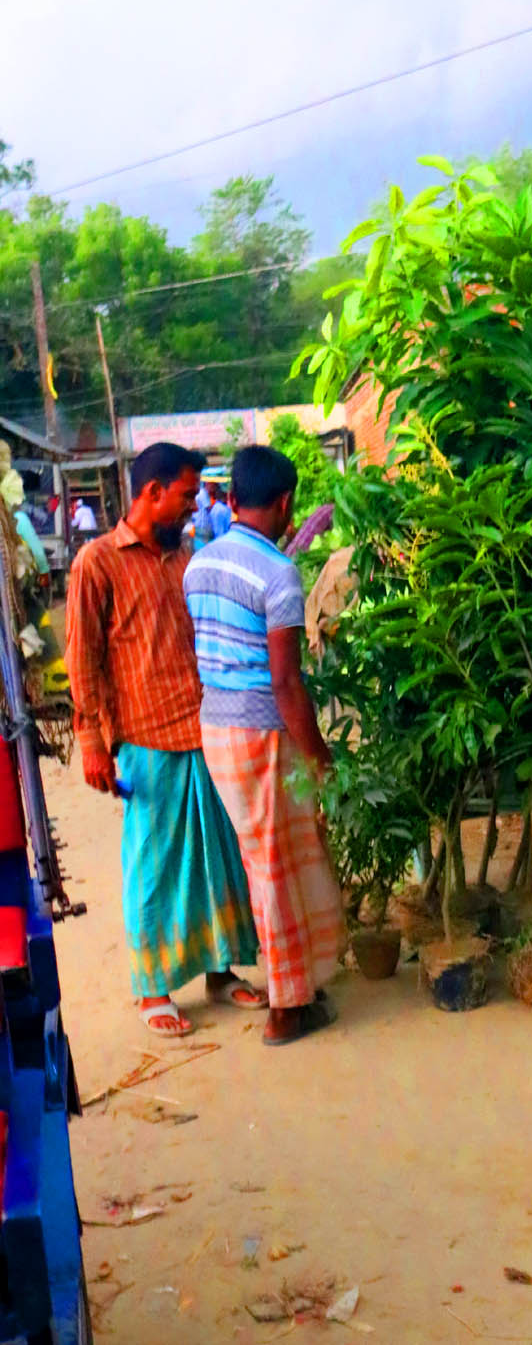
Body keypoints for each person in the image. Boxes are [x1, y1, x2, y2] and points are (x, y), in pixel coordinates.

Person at [64, 441, 265, 1037]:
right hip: (144, 741)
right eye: (186, 494)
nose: (195, 505)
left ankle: (220, 971)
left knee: (216, 861)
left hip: (203, 729)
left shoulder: (186, 558)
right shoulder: (96, 563)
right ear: (152, 493)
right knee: (154, 868)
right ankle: (153, 987)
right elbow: (83, 659)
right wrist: (92, 742)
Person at [184, 445, 346, 1048]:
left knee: (274, 859)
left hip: (218, 730)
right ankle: (284, 1007)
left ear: (228, 500)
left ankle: (299, 984)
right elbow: (285, 681)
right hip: (262, 731)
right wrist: (320, 756)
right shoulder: (280, 573)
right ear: (284, 504)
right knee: (277, 867)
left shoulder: (198, 563)